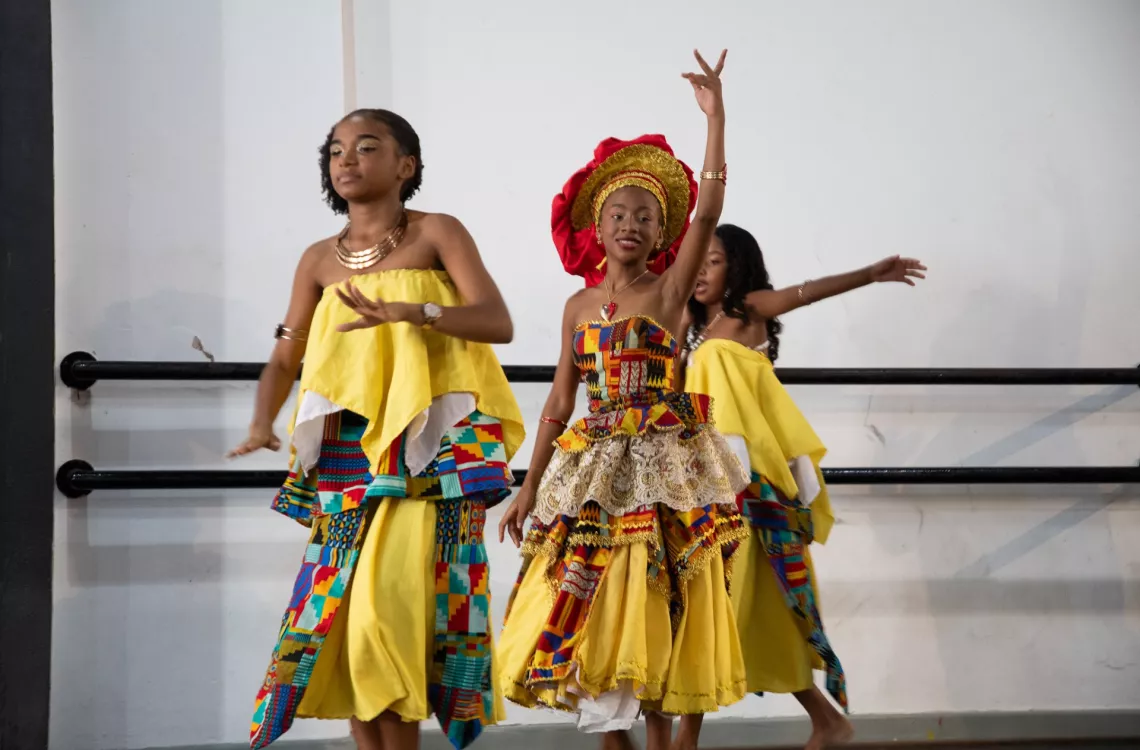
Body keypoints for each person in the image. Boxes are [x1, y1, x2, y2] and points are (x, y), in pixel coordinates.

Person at [233, 108, 525, 750]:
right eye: (336, 149)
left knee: (393, 617)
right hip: (347, 456)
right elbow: (285, 355)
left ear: (405, 165)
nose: (346, 158)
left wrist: (414, 311)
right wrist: (261, 420)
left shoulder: (437, 232)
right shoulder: (317, 260)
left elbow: (496, 321)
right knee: (344, 625)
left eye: (366, 146)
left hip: (431, 454)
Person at [495, 50, 750, 750]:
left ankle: (672, 738)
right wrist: (528, 486)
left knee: (662, 594)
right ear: (598, 228)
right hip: (593, 466)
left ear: (663, 234)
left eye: (645, 216)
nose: (630, 224)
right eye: (618, 214)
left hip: (665, 464)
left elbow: (712, 208)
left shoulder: (668, 292)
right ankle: (615, 734)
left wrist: (716, 118)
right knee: (597, 598)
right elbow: (559, 399)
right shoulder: (578, 306)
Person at [674, 223, 927, 750]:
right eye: (696, 260)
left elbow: (805, 292)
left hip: (754, 488)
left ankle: (684, 743)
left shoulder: (749, 310)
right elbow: (676, 399)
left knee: (712, 606)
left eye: (713, 262)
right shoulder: (693, 327)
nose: (700, 271)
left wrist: (868, 274)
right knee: (747, 608)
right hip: (704, 484)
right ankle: (826, 721)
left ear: (736, 268)